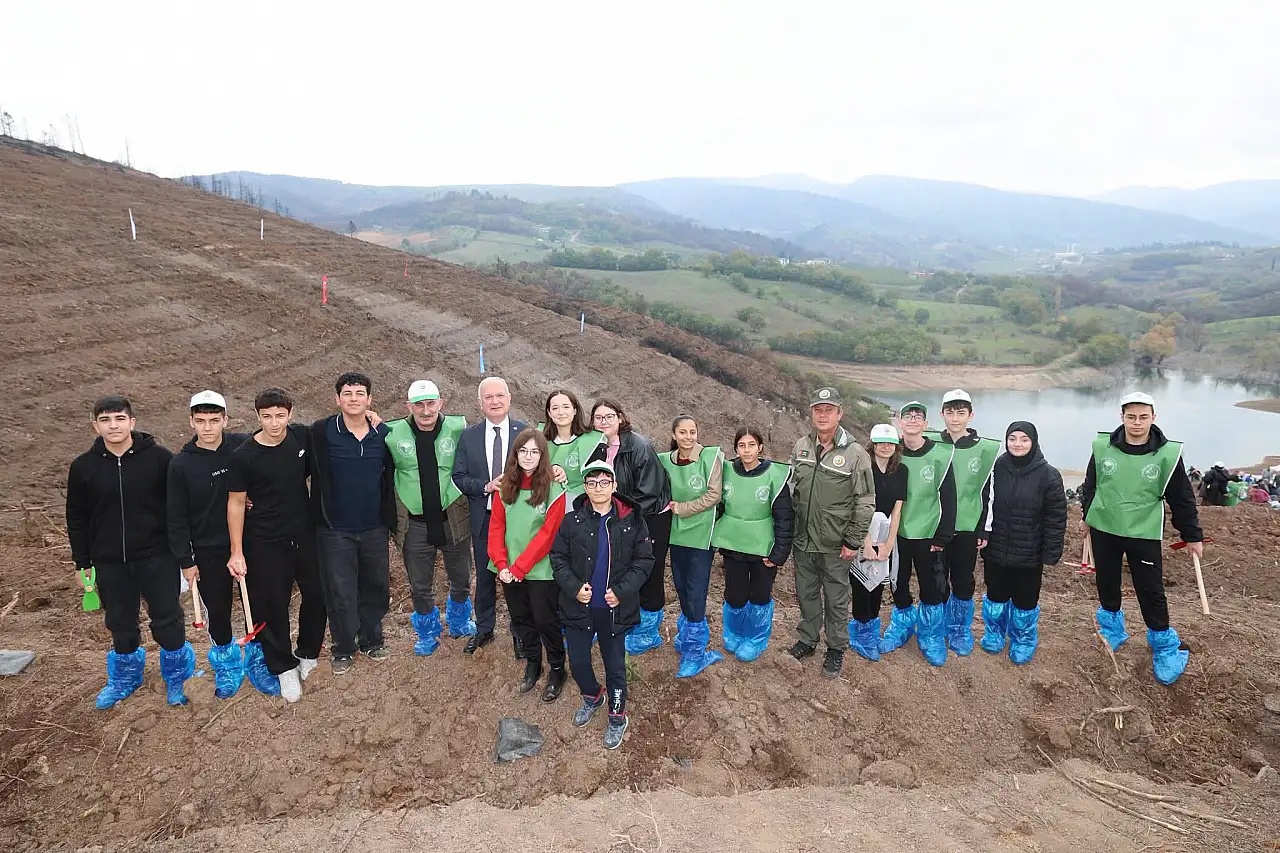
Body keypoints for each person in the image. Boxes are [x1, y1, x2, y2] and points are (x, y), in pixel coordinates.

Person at [67, 396, 195, 709]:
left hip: (157, 556)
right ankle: (125, 677)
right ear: (95, 426)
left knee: (167, 617)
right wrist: (82, 563)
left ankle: (178, 675)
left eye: (119, 419)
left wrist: (183, 555)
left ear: (132, 422)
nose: (113, 426)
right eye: (106, 420)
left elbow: (177, 509)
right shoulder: (83, 467)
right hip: (109, 561)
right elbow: (77, 518)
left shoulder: (160, 459)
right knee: (120, 620)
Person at [1079, 392, 1203, 685]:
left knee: (1150, 588)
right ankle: (1112, 628)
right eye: (1131, 417)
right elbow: (1091, 485)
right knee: (1106, 581)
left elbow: (1181, 497)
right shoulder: (1103, 446)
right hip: (1105, 526)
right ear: (1121, 417)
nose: (1137, 423)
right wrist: (1086, 515)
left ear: (1153, 418)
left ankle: (1163, 643)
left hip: (1144, 530)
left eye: (1143, 417)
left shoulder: (1167, 454)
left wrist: (1191, 535)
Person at [227, 388, 327, 703]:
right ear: (257, 416)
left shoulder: (301, 437)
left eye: (280, 415)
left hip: (304, 533)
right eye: (267, 416)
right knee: (273, 604)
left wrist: (371, 416)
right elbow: (236, 503)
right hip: (265, 540)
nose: (274, 423)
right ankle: (283, 667)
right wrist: (236, 551)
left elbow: (333, 430)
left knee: (317, 593)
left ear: (290, 414)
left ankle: (308, 652)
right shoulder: (244, 456)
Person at [550, 460, 655, 751]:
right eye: (592, 483)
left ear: (614, 486)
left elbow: (644, 561)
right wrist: (574, 588)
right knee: (578, 663)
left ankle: (617, 716)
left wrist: (621, 592)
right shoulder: (572, 521)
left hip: (614, 609)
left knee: (615, 666)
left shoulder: (632, 521)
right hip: (579, 607)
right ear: (585, 487)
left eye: (604, 482)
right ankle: (593, 696)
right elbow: (558, 558)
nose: (598, 488)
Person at [308, 372, 397, 674]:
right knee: (340, 591)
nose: (354, 398)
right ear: (337, 399)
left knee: (376, 586)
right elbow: (285, 455)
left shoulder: (383, 434)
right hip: (335, 529)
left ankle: (372, 640)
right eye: (347, 393)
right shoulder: (321, 432)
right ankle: (343, 647)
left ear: (370, 400)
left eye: (360, 393)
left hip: (374, 527)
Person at [166, 390, 252, 698]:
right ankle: (227, 665)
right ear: (191, 422)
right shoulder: (181, 464)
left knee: (259, 602)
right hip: (207, 548)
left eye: (214, 420)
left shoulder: (243, 446)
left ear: (225, 420)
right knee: (217, 609)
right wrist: (186, 561)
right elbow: (176, 517)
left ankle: (260, 660)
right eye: (201, 421)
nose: (208, 427)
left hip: (249, 541)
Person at [787, 387, 876, 678]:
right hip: (803, 539)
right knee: (806, 593)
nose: (822, 415)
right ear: (811, 413)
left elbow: (865, 500)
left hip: (836, 543)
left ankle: (836, 648)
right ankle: (808, 639)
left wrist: (853, 539)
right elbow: (790, 489)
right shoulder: (801, 446)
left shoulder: (855, 453)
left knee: (836, 599)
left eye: (829, 410)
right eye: (818, 409)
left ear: (840, 413)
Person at [384, 379, 476, 656]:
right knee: (420, 584)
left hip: (453, 519)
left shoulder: (459, 428)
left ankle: (459, 622)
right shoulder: (391, 433)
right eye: (419, 405)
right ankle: (427, 632)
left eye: (431, 404)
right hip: (415, 524)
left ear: (441, 403)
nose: (425, 411)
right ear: (408, 406)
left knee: (461, 576)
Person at [585, 399, 672, 656]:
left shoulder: (638, 446)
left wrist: (619, 516)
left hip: (650, 517)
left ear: (620, 418)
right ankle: (622, 621)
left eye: (609, 416)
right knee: (619, 568)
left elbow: (649, 491)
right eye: (598, 418)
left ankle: (648, 631)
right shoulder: (596, 447)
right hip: (620, 517)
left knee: (648, 571)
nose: (604, 422)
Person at [489, 429, 569, 699]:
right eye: (523, 451)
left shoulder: (554, 489)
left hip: (540, 569)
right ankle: (533, 664)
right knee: (521, 619)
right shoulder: (505, 487)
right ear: (515, 454)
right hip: (509, 569)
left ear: (543, 455)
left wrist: (519, 567)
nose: (528, 456)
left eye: (535, 451)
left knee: (546, 620)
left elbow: (548, 534)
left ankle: (557, 668)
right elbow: (496, 527)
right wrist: (502, 564)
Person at [976, 422, 1066, 664]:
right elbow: (984, 503)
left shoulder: (1048, 475)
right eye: (1012, 438)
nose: (1017, 444)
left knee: (1025, 599)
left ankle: (1023, 639)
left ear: (1034, 442)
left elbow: (1056, 517)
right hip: (997, 548)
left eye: (1024, 439)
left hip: (1029, 553)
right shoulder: (996, 468)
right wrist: (982, 532)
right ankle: (994, 633)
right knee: (996, 594)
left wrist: (1051, 551)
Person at [452, 376, 528, 655]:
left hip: (518, 520)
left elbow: (537, 471)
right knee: (485, 576)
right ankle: (484, 629)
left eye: (499, 396)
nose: (495, 402)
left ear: (509, 399)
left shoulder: (525, 432)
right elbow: (459, 476)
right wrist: (485, 486)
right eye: (488, 397)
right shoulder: (468, 436)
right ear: (480, 403)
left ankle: (521, 632)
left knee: (517, 577)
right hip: (484, 518)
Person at [879, 401, 956, 667]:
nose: (912, 419)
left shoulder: (940, 455)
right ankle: (901, 625)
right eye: (907, 415)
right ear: (899, 422)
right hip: (896, 533)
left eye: (918, 416)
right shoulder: (891, 451)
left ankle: (931, 634)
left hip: (928, 532)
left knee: (931, 584)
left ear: (926, 423)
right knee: (897, 581)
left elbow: (949, 496)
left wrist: (943, 534)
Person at [711, 426, 792, 662]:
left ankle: (755, 639)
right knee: (735, 594)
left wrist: (779, 553)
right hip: (733, 546)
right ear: (736, 449)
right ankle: (734, 633)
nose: (747, 450)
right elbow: (717, 507)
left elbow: (784, 518)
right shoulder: (726, 472)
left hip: (763, 548)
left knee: (760, 594)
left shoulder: (774, 476)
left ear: (760, 448)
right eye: (742, 446)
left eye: (752, 445)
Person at [930, 390, 1000, 656]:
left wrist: (984, 528)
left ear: (971, 415)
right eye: (950, 412)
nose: (955, 418)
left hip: (967, 527)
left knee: (962, 579)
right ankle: (936, 627)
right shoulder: (931, 442)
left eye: (961, 413)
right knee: (936, 578)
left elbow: (987, 492)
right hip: (935, 526)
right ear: (942, 414)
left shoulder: (984, 450)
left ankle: (959, 629)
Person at [658, 415, 725, 677]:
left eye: (692, 432)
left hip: (701, 534)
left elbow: (714, 495)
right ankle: (687, 635)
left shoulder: (710, 457)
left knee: (696, 589)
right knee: (681, 584)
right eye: (682, 432)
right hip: (676, 533)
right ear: (673, 435)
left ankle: (696, 651)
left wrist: (683, 508)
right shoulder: (665, 460)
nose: (688, 437)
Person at [848, 424, 905, 661]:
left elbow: (898, 509)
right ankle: (860, 634)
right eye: (881, 442)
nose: (885, 447)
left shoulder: (901, 471)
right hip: (863, 530)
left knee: (878, 584)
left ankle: (871, 632)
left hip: (885, 533)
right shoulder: (862, 468)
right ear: (873, 444)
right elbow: (855, 505)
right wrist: (866, 542)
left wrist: (889, 543)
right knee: (862, 585)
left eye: (890, 443)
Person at [542, 389, 605, 498]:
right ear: (549, 413)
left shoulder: (593, 442)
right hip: (546, 501)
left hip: (582, 501)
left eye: (566, 407)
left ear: (575, 410)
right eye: (555, 408)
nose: (561, 412)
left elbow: (598, 480)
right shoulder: (538, 441)